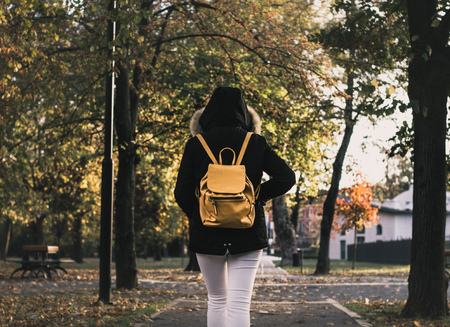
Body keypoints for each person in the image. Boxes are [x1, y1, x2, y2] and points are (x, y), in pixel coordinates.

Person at [174, 87, 296, 327]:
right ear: (244, 114)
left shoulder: (195, 145)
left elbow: (181, 192)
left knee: (217, 299)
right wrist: (258, 197)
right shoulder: (256, 142)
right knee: (240, 303)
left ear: (207, 114)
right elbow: (287, 177)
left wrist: (201, 215)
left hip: (206, 233)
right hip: (248, 230)